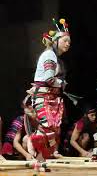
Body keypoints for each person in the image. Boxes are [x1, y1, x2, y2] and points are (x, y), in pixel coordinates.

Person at [26, 18, 70, 160]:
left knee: (53, 127)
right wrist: (62, 84)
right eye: (65, 41)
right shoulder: (49, 54)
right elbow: (49, 79)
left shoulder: (57, 59)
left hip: (52, 97)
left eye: (69, 42)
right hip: (44, 97)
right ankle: (34, 152)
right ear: (55, 41)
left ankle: (43, 155)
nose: (68, 44)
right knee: (47, 125)